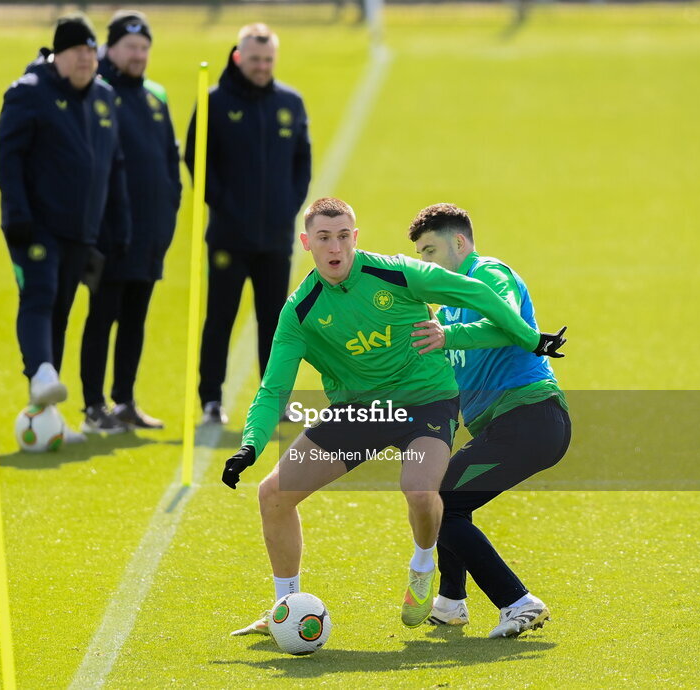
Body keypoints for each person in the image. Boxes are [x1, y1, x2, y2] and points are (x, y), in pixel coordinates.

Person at [222, 197, 567, 636]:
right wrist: (251, 443)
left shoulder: (397, 271)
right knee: (272, 494)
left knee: (423, 490)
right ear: (307, 242)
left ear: (355, 237)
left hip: (427, 402)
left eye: (344, 236)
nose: (336, 248)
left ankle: (423, 568)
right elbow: (274, 388)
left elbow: (477, 293)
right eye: (325, 238)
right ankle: (285, 608)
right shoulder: (300, 312)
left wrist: (529, 337)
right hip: (361, 411)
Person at [406, 203, 571, 638]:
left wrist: (449, 335)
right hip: (507, 426)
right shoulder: (446, 311)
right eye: (419, 256)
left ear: (458, 243)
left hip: (532, 415)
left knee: (441, 499)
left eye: (430, 251)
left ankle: (518, 602)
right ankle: (450, 603)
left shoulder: (488, 273)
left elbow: (508, 323)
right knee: (449, 496)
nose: (426, 264)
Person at [0, 15, 130, 440]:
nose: (86, 61)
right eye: (78, 53)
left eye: (92, 53)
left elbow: (114, 166)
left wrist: (117, 226)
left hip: (81, 229)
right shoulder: (28, 94)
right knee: (40, 296)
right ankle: (40, 372)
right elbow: (9, 158)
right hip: (36, 225)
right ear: (58, 55)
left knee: (61, 314)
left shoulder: (103, 99)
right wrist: (17, 216)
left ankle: (46, 415)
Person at [184, 23, 312, 426]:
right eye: (255, 59)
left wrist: (288, 205)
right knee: (220, 317)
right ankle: (210, 401)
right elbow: (196, 159)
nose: (262, 67)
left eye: (268, 60)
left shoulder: (290, 102)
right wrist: (223, 204)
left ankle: (276, 401)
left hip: (275, 237)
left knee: (276, 322)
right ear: (238, 57)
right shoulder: (215, 102)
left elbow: (301, 163)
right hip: (228, 236)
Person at [78, 11, 182, 434]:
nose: (138, 55)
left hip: (150, 234)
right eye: (130, 48)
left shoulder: (155, 97)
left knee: (135, 319)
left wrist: (169, 214)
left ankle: (124, 400)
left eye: (144, 48)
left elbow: (170, 164)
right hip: (110, 234)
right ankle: (92, 405)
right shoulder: (96, 93)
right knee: (103, 316)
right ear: (111, 48)